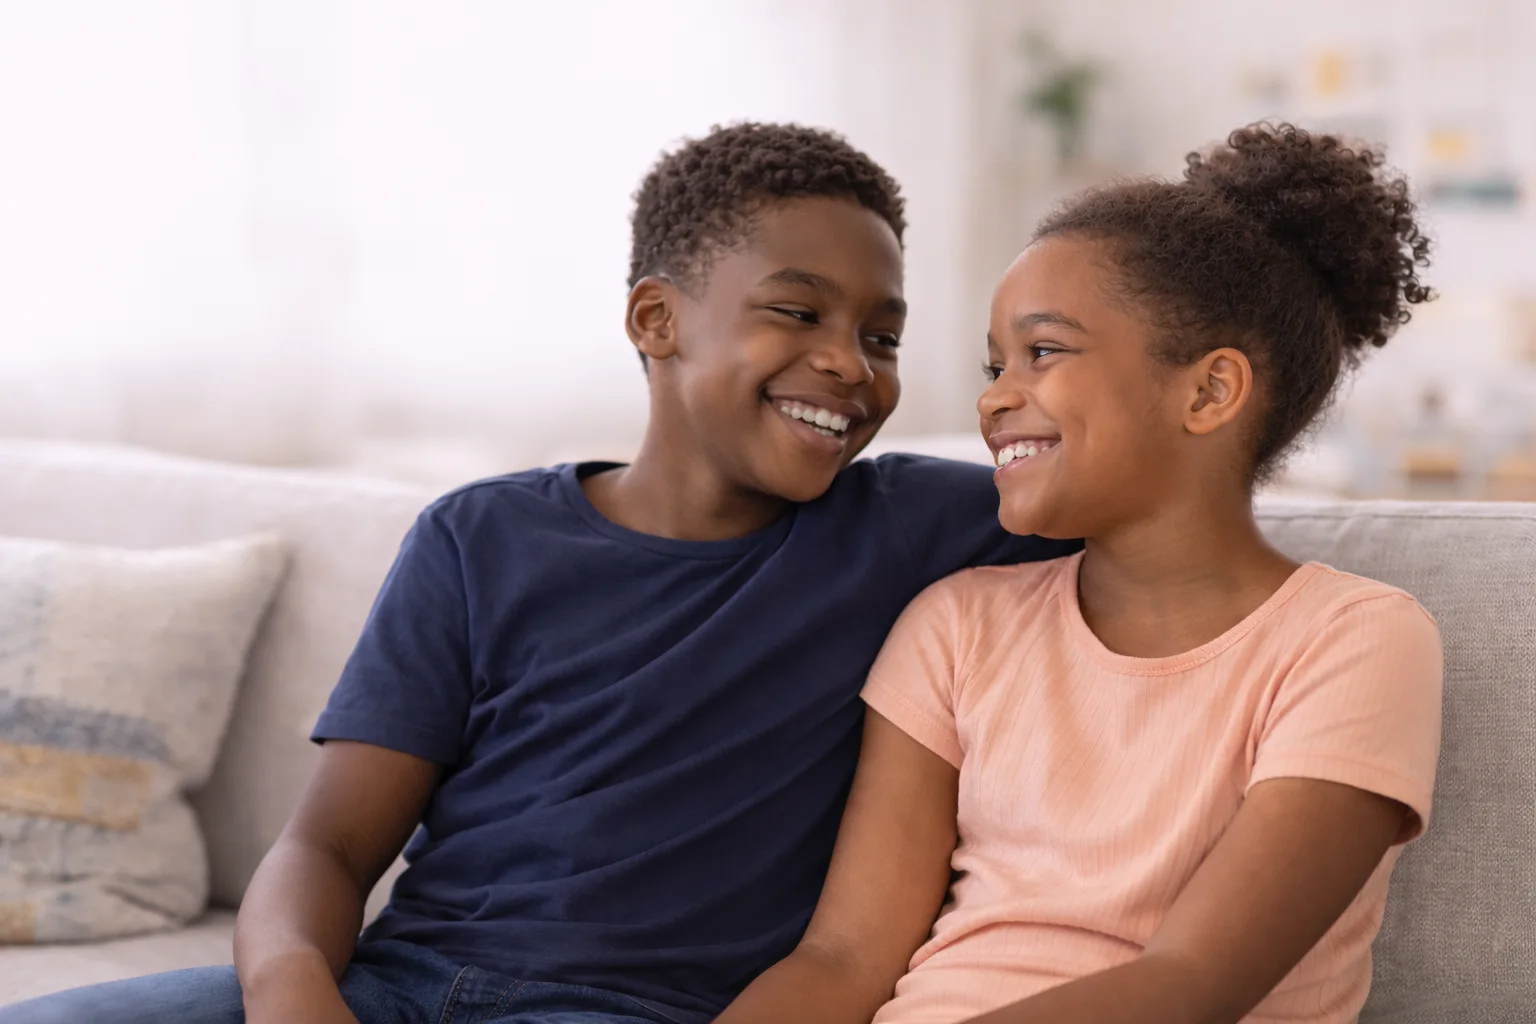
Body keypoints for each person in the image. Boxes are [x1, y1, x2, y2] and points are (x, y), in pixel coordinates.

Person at [0, 124, 1075, 1024]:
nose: (851, 362)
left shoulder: (918, 526)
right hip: (391, 986)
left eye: (882, 335)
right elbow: (327, 843)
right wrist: (292, 992)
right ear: (657, 320)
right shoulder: (479, 538)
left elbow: (1146, 499)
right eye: (799, 312)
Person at [718, 123, 1443, 1024]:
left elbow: (1189, 984)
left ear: (1210, 391)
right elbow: (842, 959)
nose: (992, 396)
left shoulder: (1352, 639)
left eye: (1043, 352)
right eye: (994, 365)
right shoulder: (956, 625)